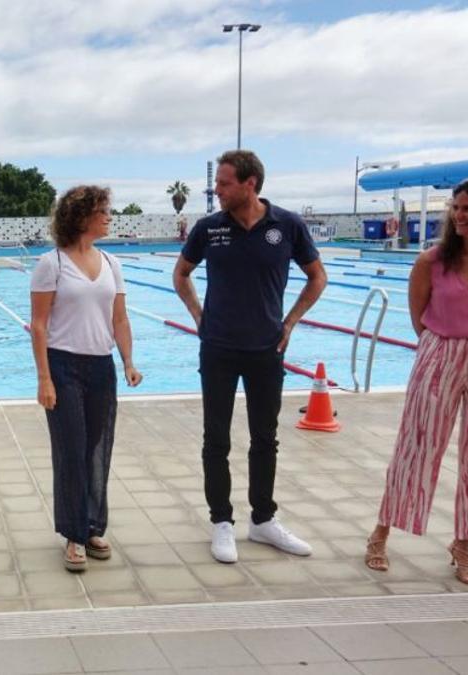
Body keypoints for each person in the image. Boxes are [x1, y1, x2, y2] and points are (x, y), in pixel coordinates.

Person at [365, 177, 468, 585]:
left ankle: (463, 545)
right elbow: (418, 316)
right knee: (416, 445)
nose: (458, 216)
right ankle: (381, 533)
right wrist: (440, 350)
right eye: (455, 208)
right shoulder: (432, 260)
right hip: (440, 352)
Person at [172, 149, 327, 564]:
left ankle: (262, 520)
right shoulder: (209, 228)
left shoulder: (287, 226)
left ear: (250, 184)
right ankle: (222, 521)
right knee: (215, 439)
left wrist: (290, 321)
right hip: (219, 348)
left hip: (266, 349)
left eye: (223, 184)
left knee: (265, 438)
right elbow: (181, 273)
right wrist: (197, 314)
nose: (216, 190)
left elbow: (317, 276)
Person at [30, 186, 143, 572]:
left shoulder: (112, 262)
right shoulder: (53, 264)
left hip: (101, 366)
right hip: (63, 366)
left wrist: (128, 360)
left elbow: (120, 318)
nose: (109, 216)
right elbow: (40, 327)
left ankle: (93, 524)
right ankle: (74, 534)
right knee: (71, 451)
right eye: (103, 211)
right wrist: (44, 379)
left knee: (96, 448)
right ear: (81, 217)